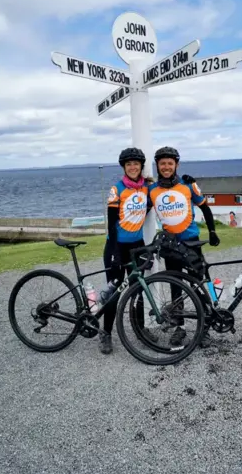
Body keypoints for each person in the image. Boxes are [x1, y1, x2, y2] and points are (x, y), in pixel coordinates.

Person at [148, 146, 220, 348]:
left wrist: (213, 232)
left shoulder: (188, 185)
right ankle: (179, 327)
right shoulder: (152, 191)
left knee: (197, 284)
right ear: (158, 166)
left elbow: (205, 207)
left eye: (170, 163)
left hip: (191, 242)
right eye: (162, 163)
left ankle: (204, 326)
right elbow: (137, 210)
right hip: (170, 245)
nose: (166, 167)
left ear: (176, 165)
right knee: (175, 286)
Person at [100, 147, 157, 354]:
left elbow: (150, 205)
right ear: (124, 167)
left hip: (137, 245)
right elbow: (112, 224)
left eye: (136, 163)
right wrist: (115, 251)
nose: (133, 167)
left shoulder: (145, 189)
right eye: (128, 164)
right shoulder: (117, 190)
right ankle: (106, 333)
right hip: (116, 246)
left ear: (141, 166)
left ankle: (140, 329)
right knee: (113, 292)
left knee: (138, 290)